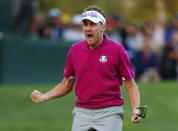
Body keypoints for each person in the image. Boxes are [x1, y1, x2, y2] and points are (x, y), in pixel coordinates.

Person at [31, 5, 142, 131]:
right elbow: (66, 84)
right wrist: (44, 96)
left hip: (109, 113)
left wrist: (136, 110)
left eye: (93, 24)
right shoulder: (75, 50)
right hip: (82, 112)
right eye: (85, 24)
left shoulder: (117, 50)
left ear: (103, 27)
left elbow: (130, 84)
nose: (88, 28)